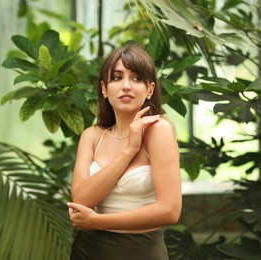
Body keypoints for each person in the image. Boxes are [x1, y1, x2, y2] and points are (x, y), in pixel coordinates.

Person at [67, 43, 182, 260]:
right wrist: (129, 150)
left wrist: (97, 221)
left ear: (150, 89)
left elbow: (170, 210)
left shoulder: (159, 131)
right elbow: (81, 200)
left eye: (136, 78)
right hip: (88, 251)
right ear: (104, 88)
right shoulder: (92, 136)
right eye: (117, 77)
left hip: (142, 251)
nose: (126, 86)